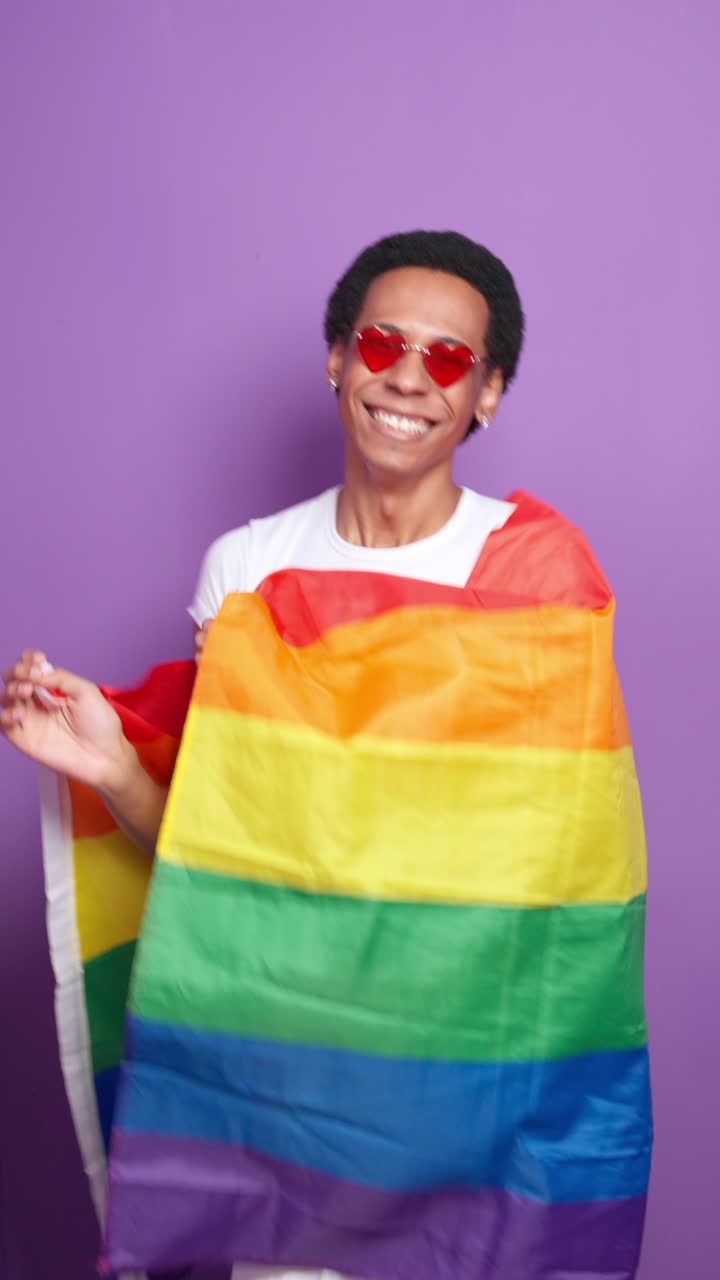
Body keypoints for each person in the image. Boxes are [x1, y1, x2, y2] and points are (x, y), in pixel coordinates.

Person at [1, 231, 649, 1280]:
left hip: (474, 1093)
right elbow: (238, 868)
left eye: (447, 358)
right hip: (294, 1089)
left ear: (487, 394)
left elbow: (558, 872)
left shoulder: (537, 578)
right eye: (382, 341)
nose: (407, 375)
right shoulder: (250, 569)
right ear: (338, 359)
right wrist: (112, 762)